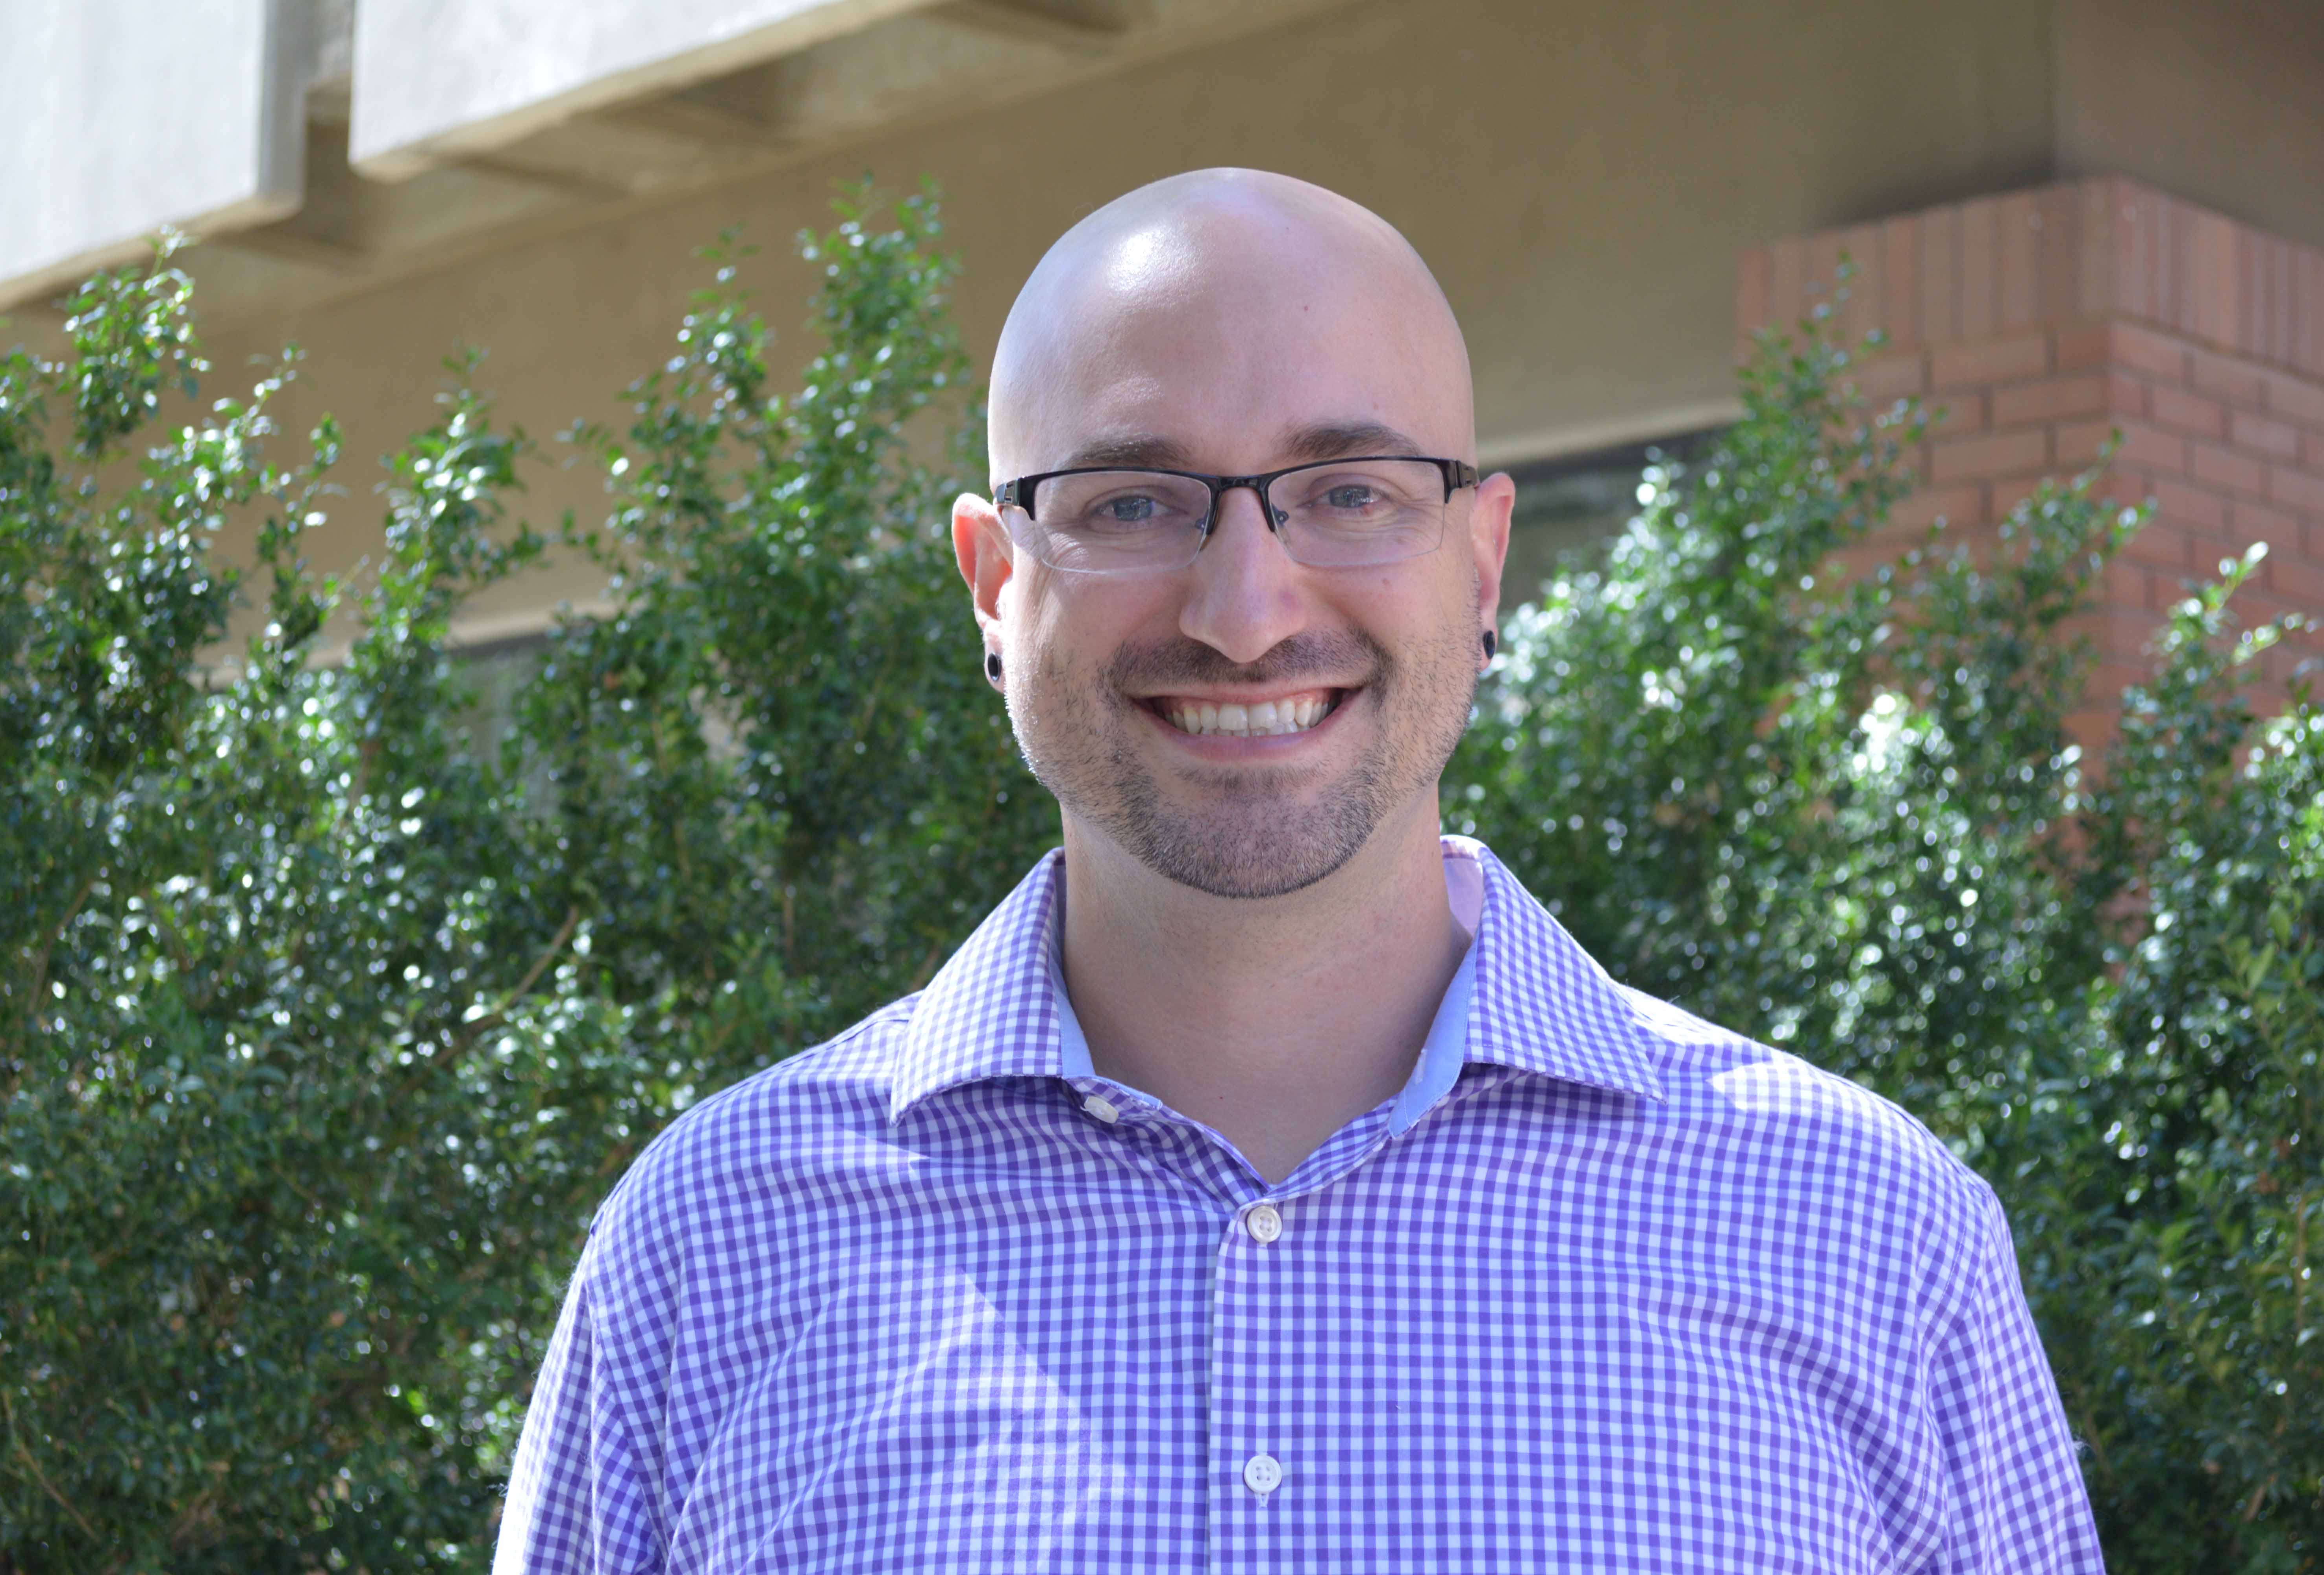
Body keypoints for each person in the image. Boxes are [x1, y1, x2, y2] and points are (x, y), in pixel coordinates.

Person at [494, 168, 2105, 1572]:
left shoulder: (1870, 1236)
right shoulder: (708, 1250)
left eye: (1347, 491)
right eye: (1134, 499)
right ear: (993, 586)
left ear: (1479, 564)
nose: (1246, 608)